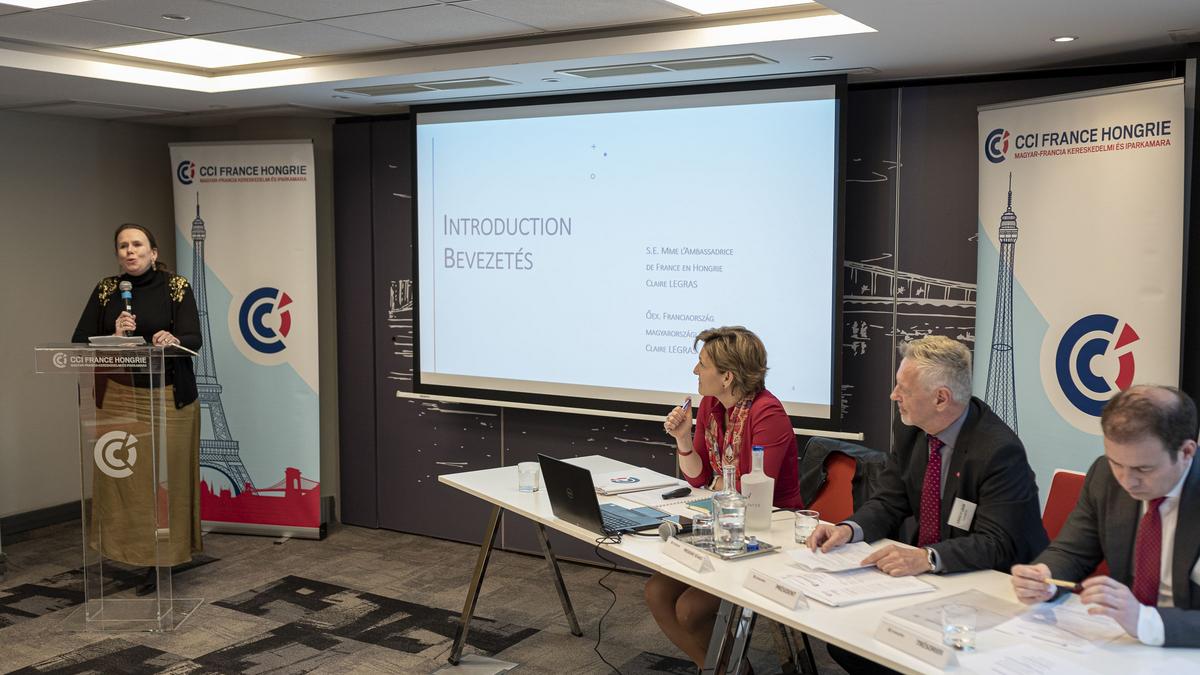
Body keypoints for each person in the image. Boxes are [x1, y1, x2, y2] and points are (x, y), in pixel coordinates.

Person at [808, 335, 1048, 672]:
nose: (894, 396)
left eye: (903, 389)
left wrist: (927, 557)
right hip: (934, 584)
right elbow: (891, 498)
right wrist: (849, 529)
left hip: (992, 588)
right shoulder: (912, 428)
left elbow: (997, 543)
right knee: (849, 644)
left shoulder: (998, 450)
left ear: (941, 398)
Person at [644, 326, 802, 669]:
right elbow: (699, 477)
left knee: (689, 610)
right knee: (656, 592)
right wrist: (683, 439)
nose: (695, 370)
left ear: (727, 376)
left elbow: (752, 492)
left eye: (702, 364)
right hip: (724, 525)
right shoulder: (712, 406)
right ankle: (721, 669)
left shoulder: (768, 414)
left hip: (766, 532)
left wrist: (719, 485)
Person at [1011, 385, 1200, 647]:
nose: (1127, 481)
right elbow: (1073, 551)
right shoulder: (1104, 476)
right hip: (1120, 640)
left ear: (1187, 452)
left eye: (1144, 469)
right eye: (1116, 463)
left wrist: (1145, 621)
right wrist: (1044, 577)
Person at [71, 223, 203, 595]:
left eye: (137, 244)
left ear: (153, 252)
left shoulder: (176, 287)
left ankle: (165, 557)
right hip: (119, 395)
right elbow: (79, 341)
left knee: (167, 479)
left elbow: (194, 338)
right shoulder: (107, 290)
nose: (130, 251)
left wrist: (171, 339)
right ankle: (130, 550)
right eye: (123, 246)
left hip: (167, 395)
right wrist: (114, 335)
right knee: (125, 479)